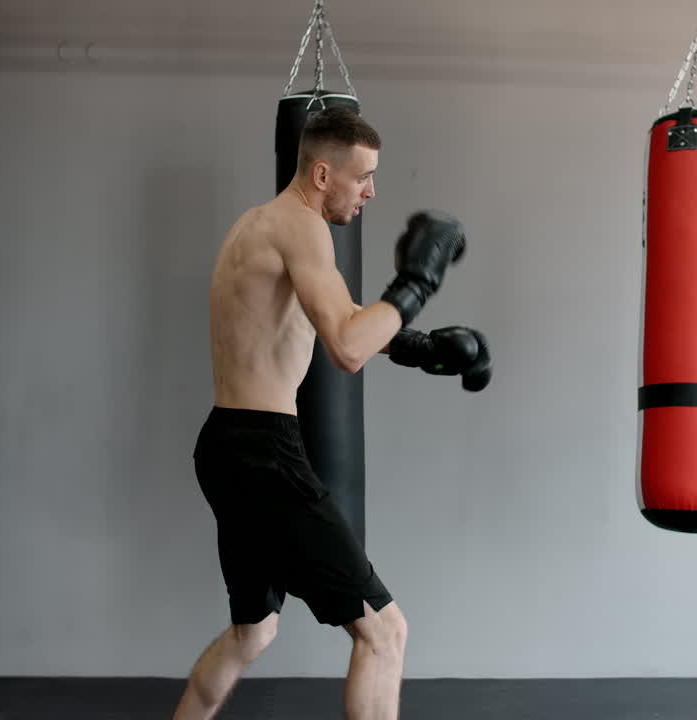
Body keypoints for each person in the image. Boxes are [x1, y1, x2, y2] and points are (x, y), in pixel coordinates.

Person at [175, 106, 491, 720]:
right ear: (323, 174)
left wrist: (423, 348)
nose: (371, 191)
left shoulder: (258, 225)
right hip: (265, 454)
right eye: (362, 176)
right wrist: (417, 284)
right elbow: (346, 347)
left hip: (225, 445)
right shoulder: (303, 229)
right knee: (385, 632)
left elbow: (339, 320)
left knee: (254, 632)